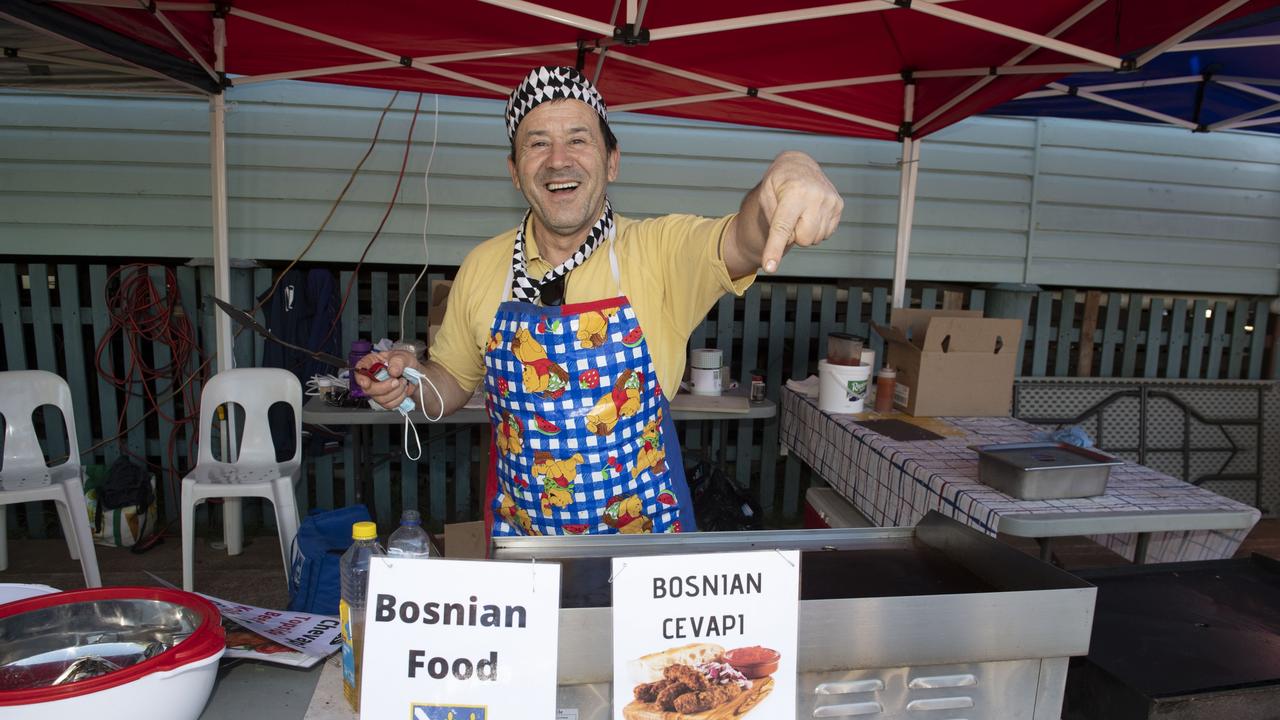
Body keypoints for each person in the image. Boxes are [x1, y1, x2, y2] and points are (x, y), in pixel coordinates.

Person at [356, 66, 842, 538]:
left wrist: (787, 176)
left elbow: (744, 237)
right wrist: (411, 379)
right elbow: (452, 385)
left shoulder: (661, 250)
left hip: (645, 551)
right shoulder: (483, 266)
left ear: (612, 160)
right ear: (514, 170)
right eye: (537, 143)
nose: (558, 160)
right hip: (527, 551)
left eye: (578, 139)